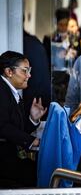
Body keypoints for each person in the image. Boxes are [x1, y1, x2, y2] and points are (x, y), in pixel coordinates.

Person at [0, 51, 47, 187]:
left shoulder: (10, 91)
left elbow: (17, 129)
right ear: (9, 72)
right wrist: (34, 141)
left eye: (29, 70)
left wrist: (33, 119)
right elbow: (3, 127)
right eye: (25, 71)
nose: (29, 75)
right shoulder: (1, 90)